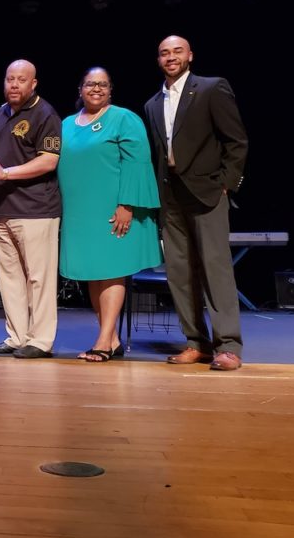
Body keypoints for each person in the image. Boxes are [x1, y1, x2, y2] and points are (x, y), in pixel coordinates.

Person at [144, 35, 249, 371]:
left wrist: (227, 185)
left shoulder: (211, 88)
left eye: (177, 51)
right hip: (171, 196)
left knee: (216, 269)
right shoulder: (152, 104)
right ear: (158, 60)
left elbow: (237, 141)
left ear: (190, 55)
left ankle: (228, 345)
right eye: (164, 53)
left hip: (207, 192)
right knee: (179, 272)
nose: (171, 57)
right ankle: (196, 342)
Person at [59, 67, 162, 362]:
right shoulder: (66, 124)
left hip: (113, 210)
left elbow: (138, 162)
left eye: (103, 85)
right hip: (80, 213)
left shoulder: (124, 119)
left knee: (112, 270)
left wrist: (127, 204)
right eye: (90, 84)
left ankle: (103, 340)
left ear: (110, 90)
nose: (96, 89)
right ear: (80, 89)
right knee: (93, 274)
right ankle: (112, 338)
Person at [0, 60, 62, 359]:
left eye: (21, 80)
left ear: (33, 84)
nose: (14, 85)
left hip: (36, 210)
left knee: (38, 278)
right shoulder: (2, 113)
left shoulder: (45, 114)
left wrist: (6, 174)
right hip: (4, 210)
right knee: (9, 279)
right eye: (10, 79)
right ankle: (16, 336)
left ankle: (40, 340)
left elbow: (48, 161)